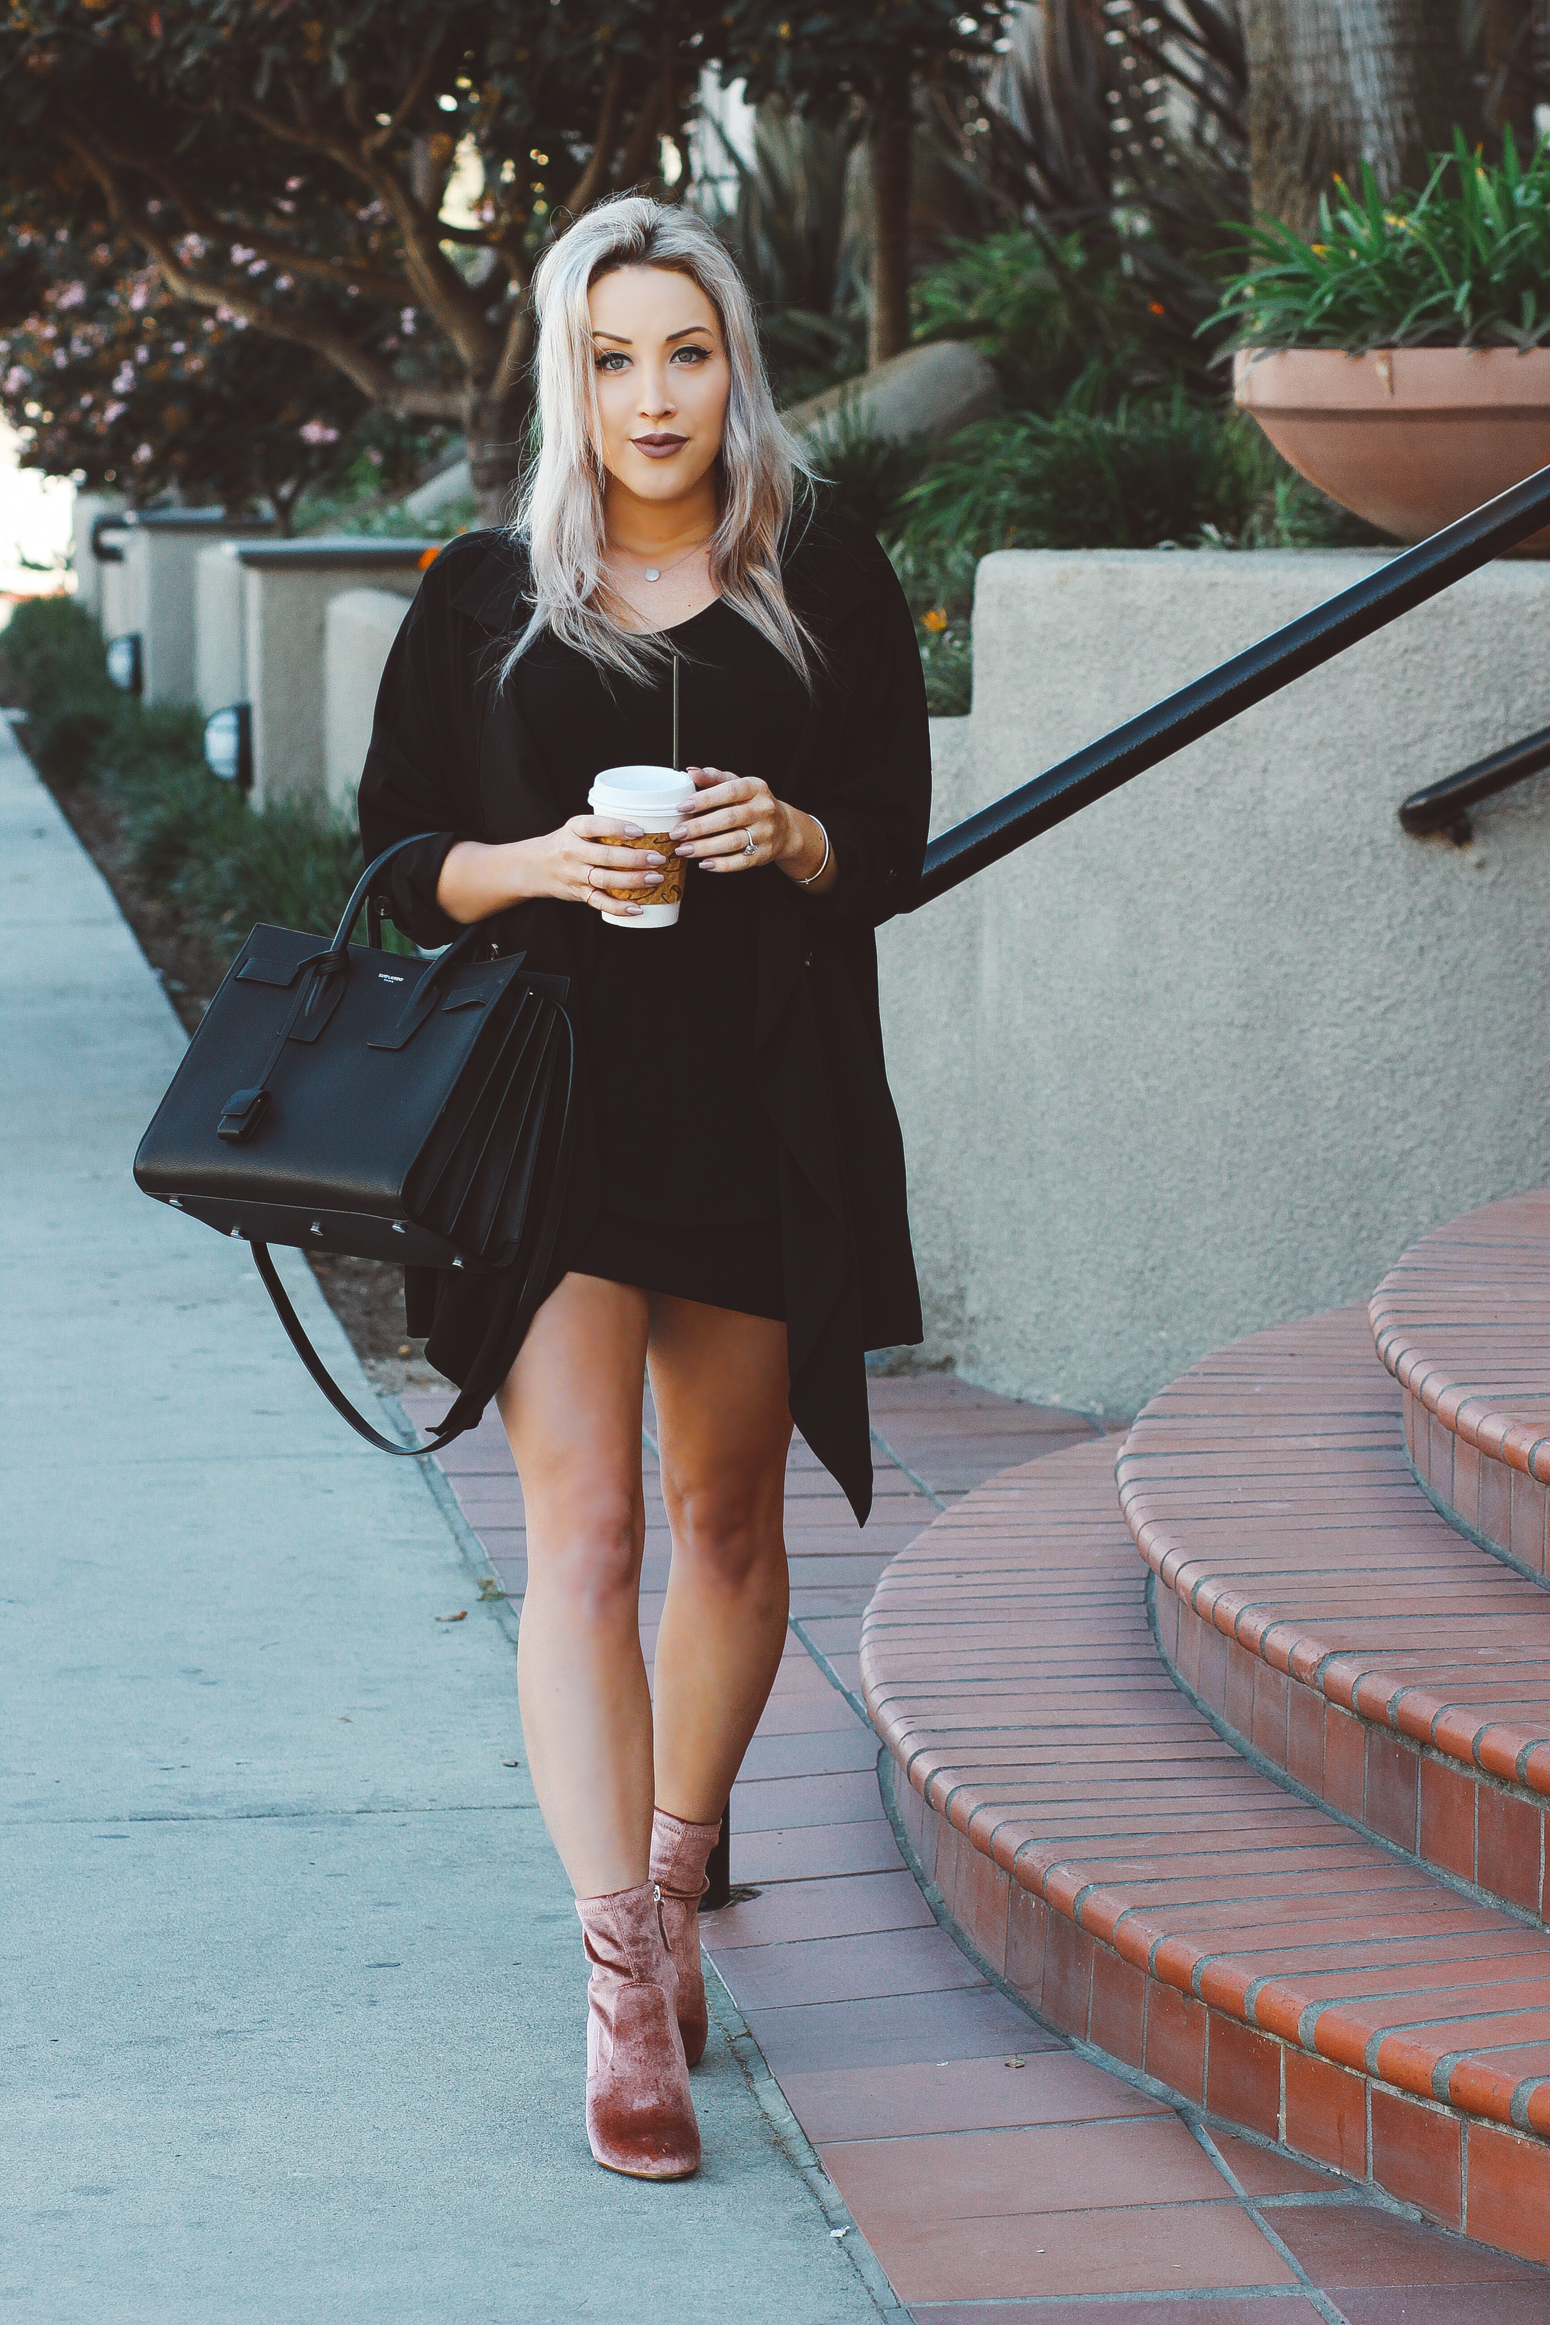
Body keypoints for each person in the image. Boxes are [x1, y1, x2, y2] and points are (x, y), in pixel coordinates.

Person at [358, 192, 930, 2181]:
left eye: (683, 351)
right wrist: (535, 867)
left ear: (733, 362)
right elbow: (394, 854)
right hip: (553, 1120)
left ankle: (679, 1872)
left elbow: (892, 834)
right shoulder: (482, 595)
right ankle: (618, 1981)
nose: (651, 393)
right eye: (610, 357)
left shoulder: (824, 573)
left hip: (761, 1110)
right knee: (583, 1528)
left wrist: (784, 834)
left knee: (726, 1520)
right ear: (563, 373)